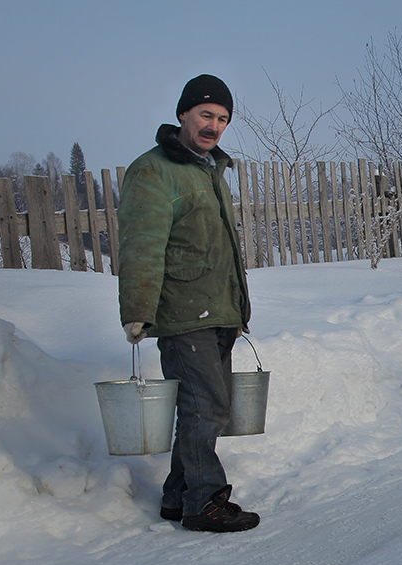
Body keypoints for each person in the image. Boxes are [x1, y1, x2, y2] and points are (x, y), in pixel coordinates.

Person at [118, 74, 260, 533]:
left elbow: (219, 248)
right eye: (205, 115)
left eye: (221, 118)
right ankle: (205, 501)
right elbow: (142, 243)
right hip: (183, 312)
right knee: (207, 407)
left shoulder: (210, 169)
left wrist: (237, 310)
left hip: (218, 310)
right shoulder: (154, 170)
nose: (213, 125)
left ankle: (178, 496)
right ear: (183, 114)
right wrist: (137, 309)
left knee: (203, 407)